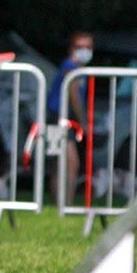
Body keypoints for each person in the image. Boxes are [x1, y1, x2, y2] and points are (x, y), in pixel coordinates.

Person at [48, 31, 94, 205]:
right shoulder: (70, 67)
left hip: (65, 118)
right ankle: (64, 205)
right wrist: (83, 121)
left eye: (88, 47)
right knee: (69, 163)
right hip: (58, 117)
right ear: (71, 48)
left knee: (61, 163)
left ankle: (61, 204)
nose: (84, 51)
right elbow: (74, 95)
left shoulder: (79, 69)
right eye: (80, 47)